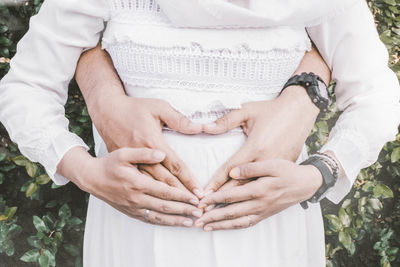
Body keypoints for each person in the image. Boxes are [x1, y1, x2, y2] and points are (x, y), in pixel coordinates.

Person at [0, 0, 399, 266]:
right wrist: (84, 171)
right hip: (136, 235)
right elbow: (25, 86)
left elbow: (377, 95)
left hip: (267, 232)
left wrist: (319, 173)